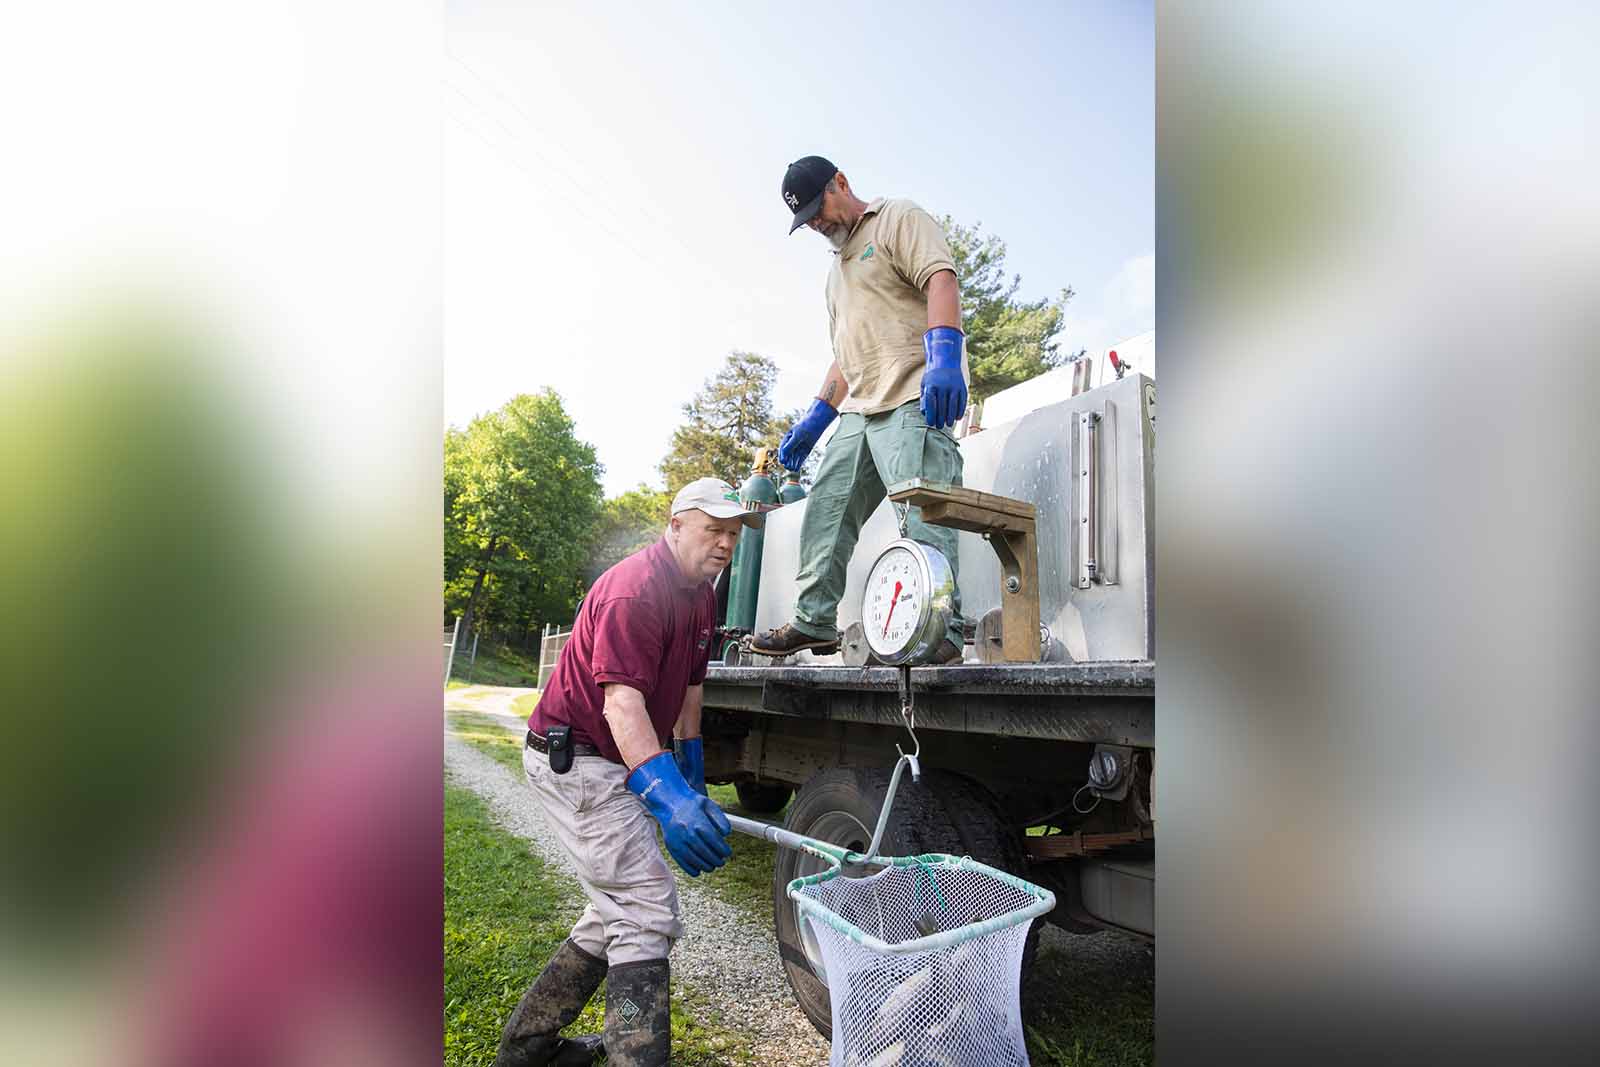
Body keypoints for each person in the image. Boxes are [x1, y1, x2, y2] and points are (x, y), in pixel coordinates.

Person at [492, 477, 758, 1067]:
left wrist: (688, 767)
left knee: (616, 901)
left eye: (734, 535)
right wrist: (665, 796)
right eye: (713, 530)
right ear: (676, 525)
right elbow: (621, 704)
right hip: (578, 760)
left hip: (621, 758)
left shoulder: (703, 595)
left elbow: (691, 684)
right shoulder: (635, 591)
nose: (724, 545)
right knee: (642, 906)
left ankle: (527, 1047)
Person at [753, 155, 968, 662]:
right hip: (861, 409)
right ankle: (814, 621)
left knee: (924, 517)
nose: (816, 224)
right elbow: (847, 354)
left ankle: (941, 632)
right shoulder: (835, 274)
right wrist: (816, 417)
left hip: (914, 396)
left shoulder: (897, 218)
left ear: (841, 183)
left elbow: (941, 279)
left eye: (817, 209)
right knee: (824, 514)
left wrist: (944, 356)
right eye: (805, 220)